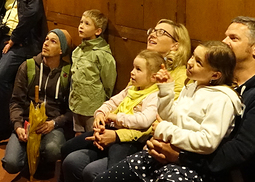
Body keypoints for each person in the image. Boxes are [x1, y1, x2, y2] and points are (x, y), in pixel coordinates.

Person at [146, 16, 255, 182]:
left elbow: (240, 151)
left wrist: (180, 156)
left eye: (233, 38)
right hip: (199, 160)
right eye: (225, 36)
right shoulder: (219, 82)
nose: (224, 42)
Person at [59, 18, 192, 182]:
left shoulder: (180, 76)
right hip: (115, 127)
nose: (152, 34)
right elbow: (123, 100)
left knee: (92, 172)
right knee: (70, 159)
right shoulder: (143, 64)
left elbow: (155, 119)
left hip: (138, 139)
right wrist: (103, 120)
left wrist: (116, 135)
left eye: (161, 32)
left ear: (175, 45)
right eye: (153, 30)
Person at [92, 41, 244, 182]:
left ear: (215, 75)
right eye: (192, 57)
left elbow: (207, 142)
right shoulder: (192, 86)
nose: (190, 63)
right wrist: (165, 90)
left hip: (189, 164)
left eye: (198, 62)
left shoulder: (222, 99)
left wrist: (164, 129)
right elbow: (167, 116)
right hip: (162, 153)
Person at [62, 49, 165, 182]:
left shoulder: (155, 96)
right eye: (133, 68)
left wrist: (117, 118)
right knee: (67, 147)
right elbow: (112, 102)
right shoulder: (131, 89)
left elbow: (144, 121)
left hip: (127, 141)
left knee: (111, 176)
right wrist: (100, 114)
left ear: (153, 77)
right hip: (110, 130)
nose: (132, 72)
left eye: (138, 69)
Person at [1, 29, 73, 178]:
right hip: (26, 123)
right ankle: (28, 158)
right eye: (46, 39)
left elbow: (72, 110)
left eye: (53, 41)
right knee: (11, 163)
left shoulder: (68, 73)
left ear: (62, 50)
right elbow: (15, 101)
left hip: (51, 125)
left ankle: (41, 160)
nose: (46, 43)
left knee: (53, 150)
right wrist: (18, 126)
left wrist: (54, 123)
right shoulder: (28, 67)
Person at [0, 0, 47, 141]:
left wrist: (14, 38)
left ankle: (5, 127)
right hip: (4, 38)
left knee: (1, 77)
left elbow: (33, 13)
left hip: (24, 42)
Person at [69, 9, 116, 136]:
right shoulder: (77, 51)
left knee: (92, 137)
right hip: (76, 105)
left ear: (98, 31)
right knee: (78, 137)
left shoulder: (102, 54)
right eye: (81, 22)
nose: (81, 26)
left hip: (93, 108)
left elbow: (108, 83)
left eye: (87, 24)